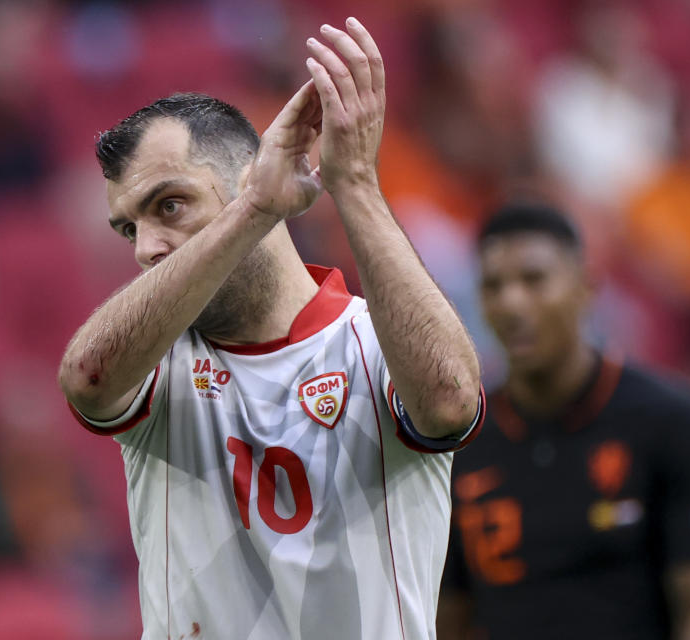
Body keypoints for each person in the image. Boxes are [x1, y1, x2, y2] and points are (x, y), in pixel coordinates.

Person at [58, 18, 484, 640]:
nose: (146, 248)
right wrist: (254, 210)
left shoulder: (378, 341)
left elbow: (450, 402)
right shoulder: (159, 359)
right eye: (129, 228)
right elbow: (88, 381)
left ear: (248, 176)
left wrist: (355, 183)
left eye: (169, 205)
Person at [438, 203, 690, 639]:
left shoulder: (670, 419)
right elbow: (448, 616)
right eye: (493, 286)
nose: (512, 303)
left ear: (587, 286)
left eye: (534, 280)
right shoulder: (462, 444)